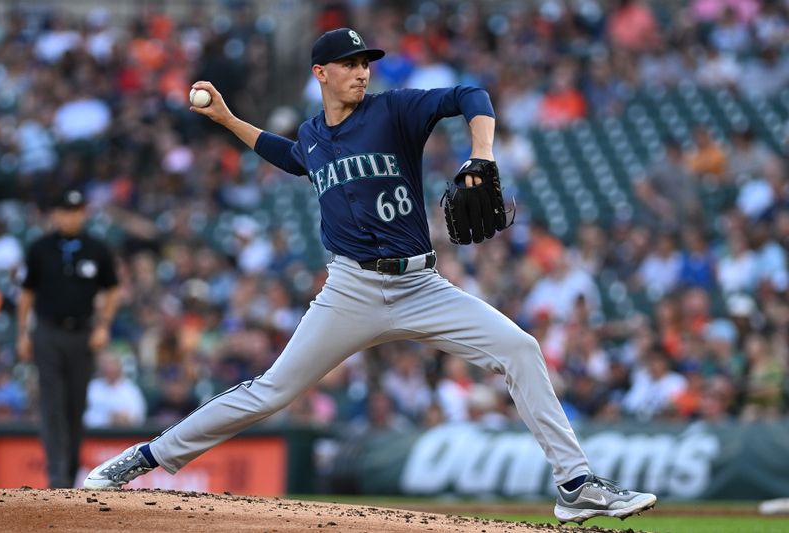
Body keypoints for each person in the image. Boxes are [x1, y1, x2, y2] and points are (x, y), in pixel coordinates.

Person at [84, 28, 656, 524]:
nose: (362, 72)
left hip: (421, 286)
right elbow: (288, 155)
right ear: (321, 74)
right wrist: (228, 119)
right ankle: (149, 457)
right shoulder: (312, 136)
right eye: (350, 65)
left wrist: (481, 155)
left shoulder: (393, 111)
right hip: (351, 290)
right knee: (270, 392)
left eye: (365, 64)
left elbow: (469, 94)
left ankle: (577, 486)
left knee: (521, 348)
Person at [17, 188, 120, 488]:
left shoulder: (97, 248)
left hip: (83, 334)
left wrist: (103, 325)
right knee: (52, 405)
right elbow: (27, 292)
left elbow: (112, 288)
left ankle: (70, 474)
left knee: (76, 406)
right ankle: (57, 477)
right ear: (55, 214)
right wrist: (22, 333)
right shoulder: (39, 248)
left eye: (76, 211)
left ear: (83, 213)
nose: (71, 216)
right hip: (47, 333)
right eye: (65, 210)